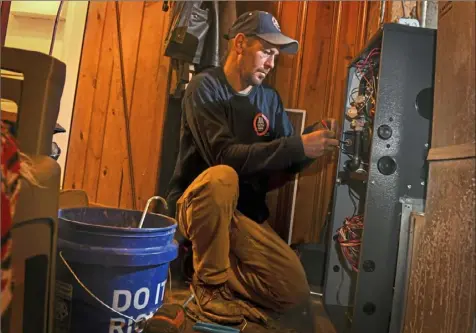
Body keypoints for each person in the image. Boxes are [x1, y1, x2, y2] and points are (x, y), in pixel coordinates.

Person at [166, 10, 339, 324]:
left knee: (294, 293)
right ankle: (209, 288)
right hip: (199, 208)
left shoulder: (269, 99)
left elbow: (285, 160)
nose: (272, 63)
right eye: (267, 52)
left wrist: (313, 143)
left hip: (244, 216)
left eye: (275, 55)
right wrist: (297, 145)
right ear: (240, 44)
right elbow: (224, 156)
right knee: (223, 177)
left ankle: (208, 273)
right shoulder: (205, 88)